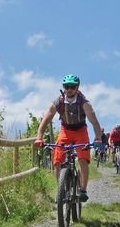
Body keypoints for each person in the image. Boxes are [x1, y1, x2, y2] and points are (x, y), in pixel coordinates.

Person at [34, 74, 102, 202]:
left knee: (82, 158)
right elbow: (45, 121)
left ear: (77, 88)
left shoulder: (84, 103)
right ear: (63, 87)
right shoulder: (58, 102)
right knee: (58, 158)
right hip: (65, 130)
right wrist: (39, 137)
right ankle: (61, 190)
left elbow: (94, 122)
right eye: (66, 86)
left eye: (72, 87)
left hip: (81, 130)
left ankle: (83, 189)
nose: (69, 89)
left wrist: (98, 138)